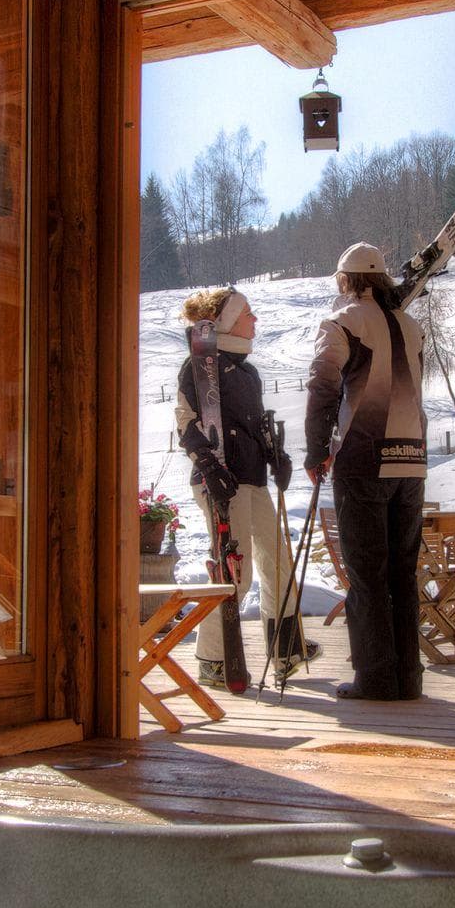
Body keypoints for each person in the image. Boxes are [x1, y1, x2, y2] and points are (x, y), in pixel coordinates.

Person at [304, 243, 428, 701]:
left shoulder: (341, 324)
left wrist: (317, 451)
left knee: (367, 574)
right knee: (402, 573)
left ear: (346, 280)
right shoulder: (412, 326)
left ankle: (375, 678)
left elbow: (323, 388)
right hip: (411, 460)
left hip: (363, 460)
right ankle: (408, 678)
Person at [174, 288, 308, 688]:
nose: (255, 320)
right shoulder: (199, 366)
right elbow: (186, 422)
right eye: (248, 314)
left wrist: (275, 456)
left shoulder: (246, 372)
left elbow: (255, 428)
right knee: (238, 571)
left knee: (278, 561)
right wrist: (209, 467)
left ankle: (285, 649)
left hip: (252, 478)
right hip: (221, 483)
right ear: (229, 321)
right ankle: (213, 658)